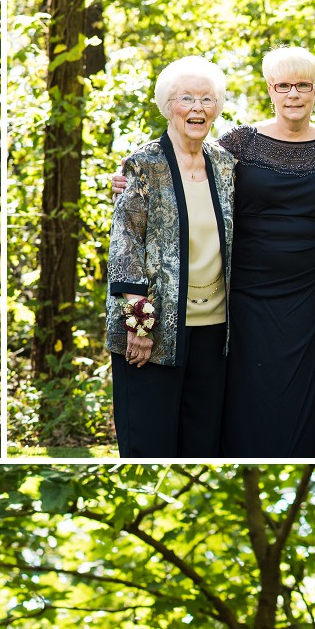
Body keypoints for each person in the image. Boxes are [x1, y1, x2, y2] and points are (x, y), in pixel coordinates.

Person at [217, 48, 315, 457]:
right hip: (247, 292)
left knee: (304, 393)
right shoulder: (240, 142)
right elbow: (188, 171)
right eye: (283, 86)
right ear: (270, 90)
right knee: (249, 392)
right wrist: (133, 176)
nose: (293, 95)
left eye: (303, 85)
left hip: (310, 293)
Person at [105, 57, 236, 456]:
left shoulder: (225, 164)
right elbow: (124, 247)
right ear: (167, 105)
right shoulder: (142, 165)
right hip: (152, 331)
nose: (198, 108)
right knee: (149, 443)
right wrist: (139, 327)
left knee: (204, 445)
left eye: (207, 99)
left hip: (214, 330)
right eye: (187, 99)